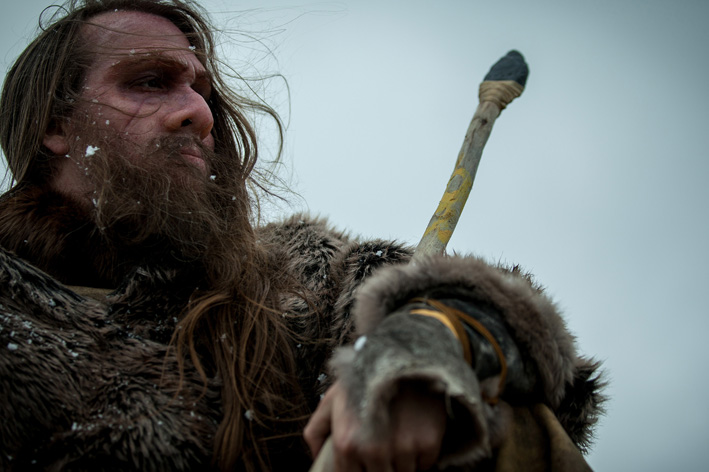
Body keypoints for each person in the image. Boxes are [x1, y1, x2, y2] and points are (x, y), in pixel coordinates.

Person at [0, 0, 604, 470]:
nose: (200, 114)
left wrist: (427, 345)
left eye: (201, 92)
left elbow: (528, 342)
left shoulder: (297, 278)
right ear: (55, 125)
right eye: (149, 81)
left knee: (504, 414)